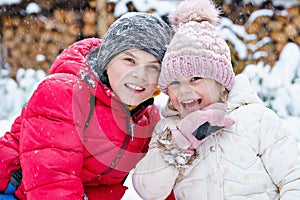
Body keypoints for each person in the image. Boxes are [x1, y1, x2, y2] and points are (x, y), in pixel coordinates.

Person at [132, 0, 300, 199]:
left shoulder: (255, 119)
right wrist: (178, 145)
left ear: (221, 82)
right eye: (175, 83)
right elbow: (148, 190)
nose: (184, 90)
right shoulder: (168, 131)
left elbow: (293, 177)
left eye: (195, 79)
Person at [0, 12, 171, 199]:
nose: (140, 75)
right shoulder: (64, 94)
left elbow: (165, 177)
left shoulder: (146, 119)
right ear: (107, 59)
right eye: (129, 60)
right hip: (13, 191)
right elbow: (53, 184)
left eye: (153, 66)